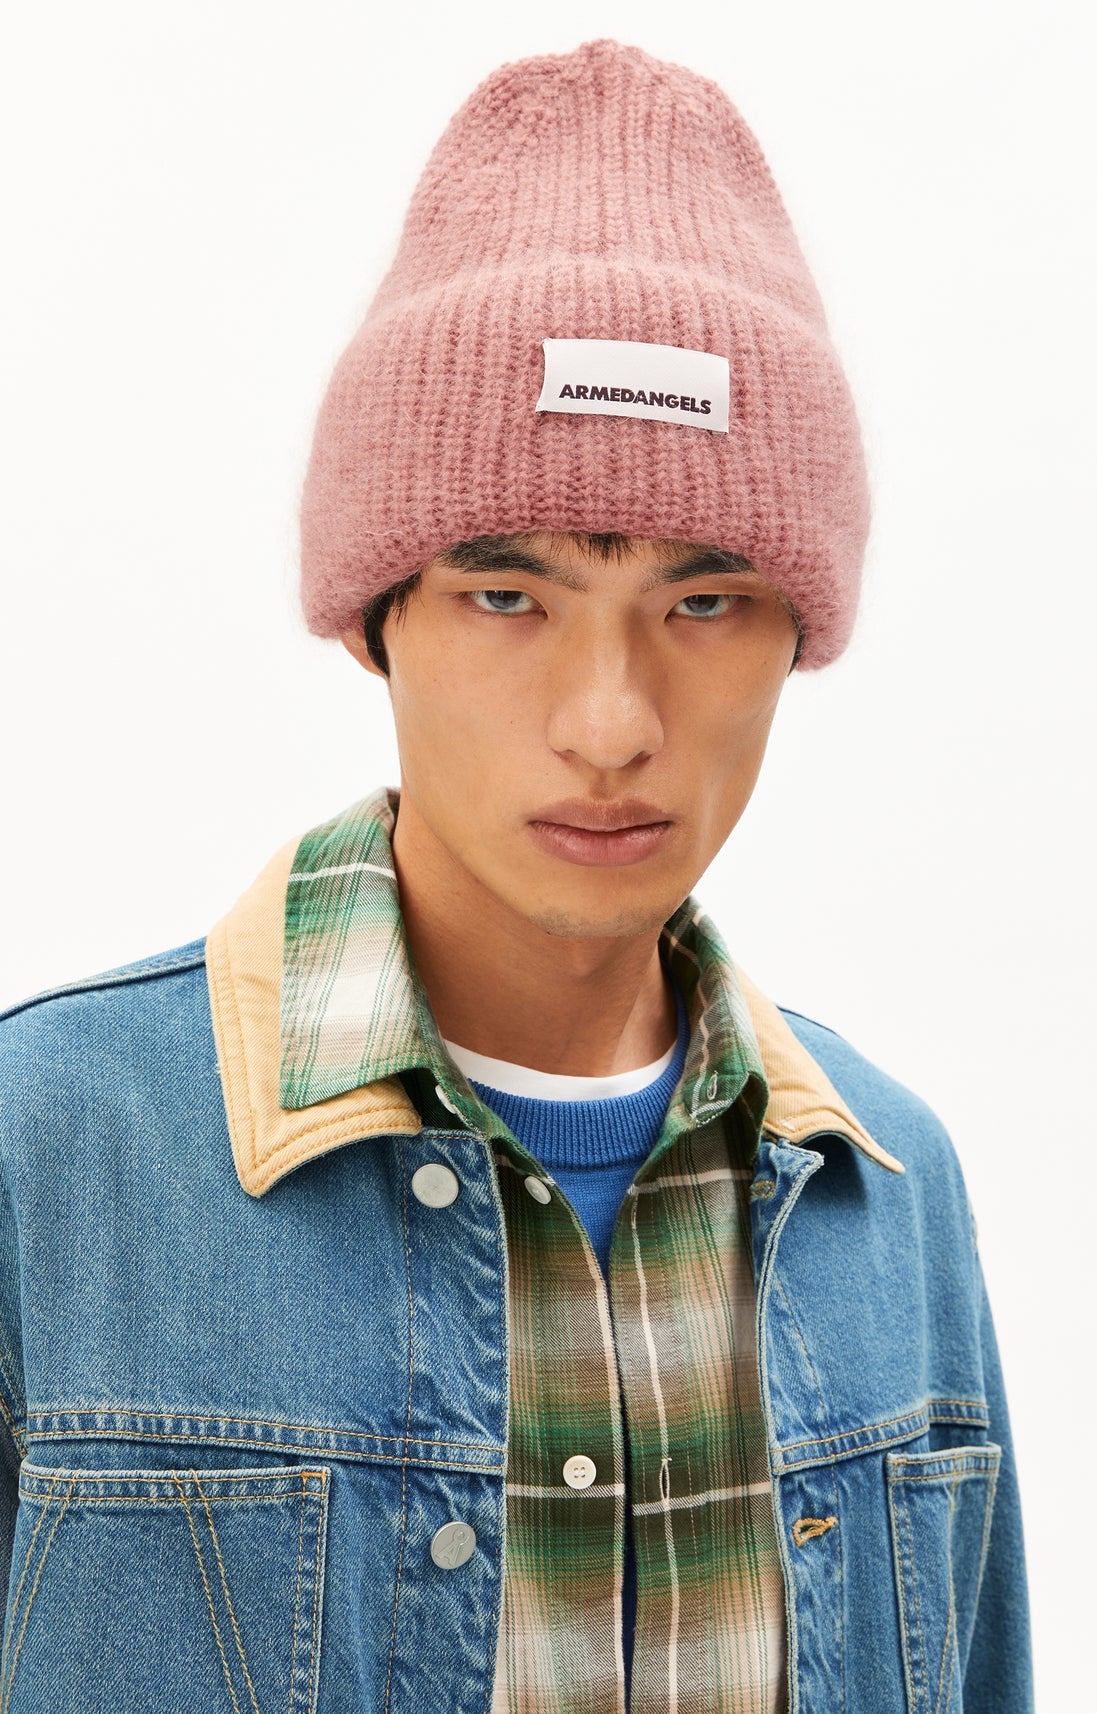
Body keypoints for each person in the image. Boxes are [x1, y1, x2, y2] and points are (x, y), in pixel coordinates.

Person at [0, 36, 1034, 1714]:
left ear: (798, 635)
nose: (609, 721)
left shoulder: (890, 1196)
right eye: (508, 596)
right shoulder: (49, 1153)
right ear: (376, 620)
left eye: (705, 601)